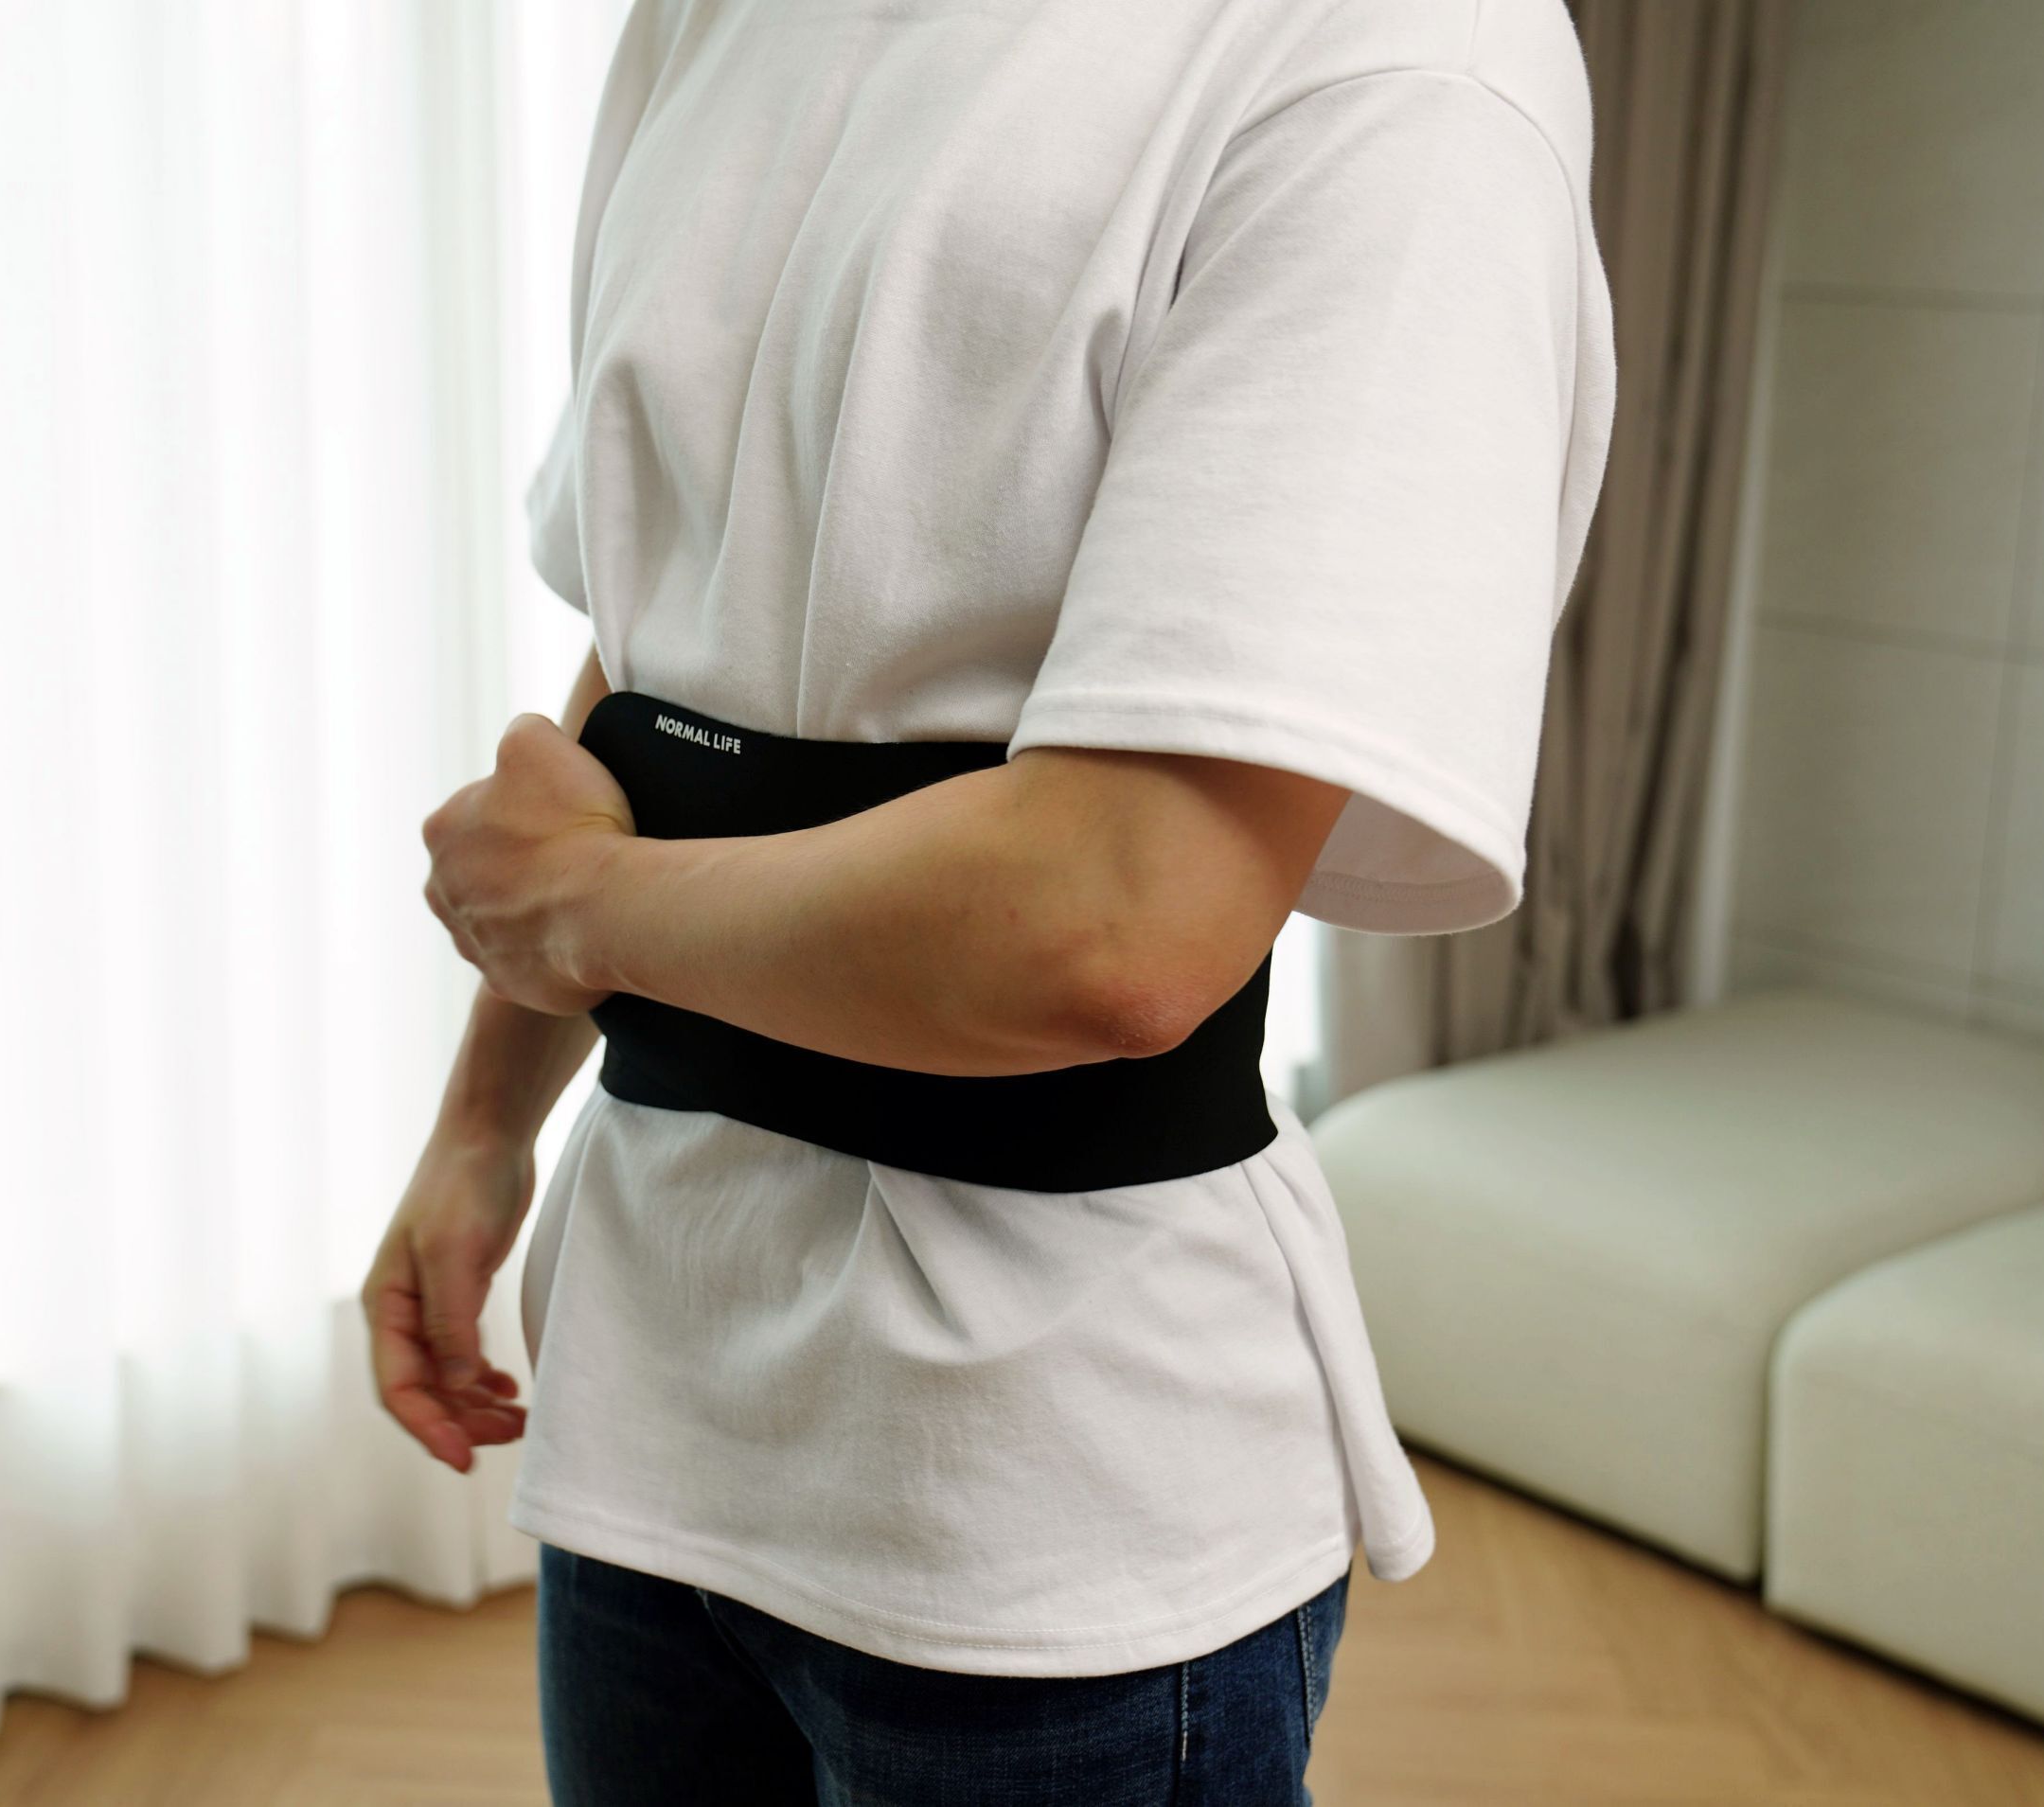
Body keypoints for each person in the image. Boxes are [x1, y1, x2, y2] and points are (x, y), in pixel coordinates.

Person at [364, 0, 1615, 1798]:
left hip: (1049, 1498)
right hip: (649, 1388)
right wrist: (485, 1122)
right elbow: (667, 651)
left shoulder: (1399, 54)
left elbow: (1121, 922)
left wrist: (578, 920)